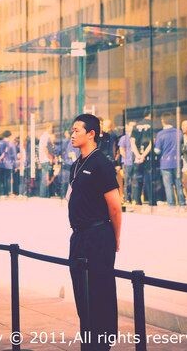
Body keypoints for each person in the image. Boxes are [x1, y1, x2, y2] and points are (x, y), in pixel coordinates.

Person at [67, 114, 121, 350]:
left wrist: (115, 238)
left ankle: (102, 342)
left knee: (100, 291)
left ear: (91, 134)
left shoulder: (102, 163)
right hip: (78, 236)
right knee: (82, 293)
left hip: (99, 235)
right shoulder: (76, 164)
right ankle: (88, 340)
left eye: (77, 130)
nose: (72, 134)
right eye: (72, 130)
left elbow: (115, 207)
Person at [154, 112, 184, 208]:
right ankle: (182, 203)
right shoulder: (179, 132)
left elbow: (157, 151)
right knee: (178, 184)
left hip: (165, 163)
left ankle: (171, 205)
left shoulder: (160, 134)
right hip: (177, 162)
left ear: (162, 121)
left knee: (168, 185)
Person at [118, 122, 140, 205]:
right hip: (127, 163)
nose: (132, 127)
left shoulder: (136, 137)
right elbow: (121, 150)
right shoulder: (124, 138)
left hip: (135, 162)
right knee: (127, 181)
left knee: (135, 180)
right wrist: (127, 159)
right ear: (127, 126)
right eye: (131, 125)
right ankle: (128, 198)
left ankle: (135, 198)